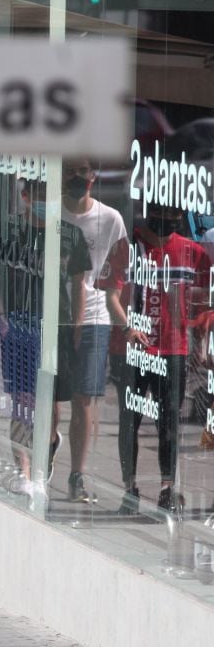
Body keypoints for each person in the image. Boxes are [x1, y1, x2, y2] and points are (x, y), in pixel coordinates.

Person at [102, 203, 210, 514]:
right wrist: (128, 327)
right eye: (164, 213)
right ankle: (129, 488)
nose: (170, 221)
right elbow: (110, 295)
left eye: (176, 215)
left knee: (169, 421)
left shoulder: (193, 253)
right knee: (129, 421)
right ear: (150, 209)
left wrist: (199, 338)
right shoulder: (128, 247)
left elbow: (202, 302)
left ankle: (167, 488)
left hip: (173, 350)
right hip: (132, 350)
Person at [0, 179, 91, 497]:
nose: (45, 201)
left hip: (55, 331)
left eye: (50, 196)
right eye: (38, 196)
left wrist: (77, 326)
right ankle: (24, 472)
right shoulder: (10, 233)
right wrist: (1, 318)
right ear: (24, 197)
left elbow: (79, 286)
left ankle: (47, 445)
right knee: (22, 402)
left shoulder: (70, 236)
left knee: (50, 405)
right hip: (19, 327)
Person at [57, 159, 128, 503]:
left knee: (83, 399)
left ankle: (76, 475)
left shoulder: (110, 219)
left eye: (82, 174)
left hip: (95, 317)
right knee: (54, 399)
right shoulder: (49, 212)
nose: (76, 179)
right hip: (55, 313)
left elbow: (119, 266)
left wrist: (119, 312)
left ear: (93, 178)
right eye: (70, 172)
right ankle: (51, 439)